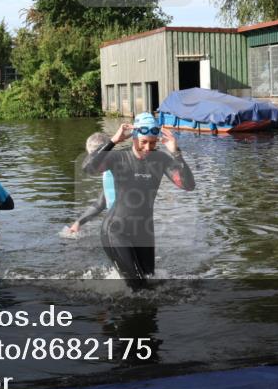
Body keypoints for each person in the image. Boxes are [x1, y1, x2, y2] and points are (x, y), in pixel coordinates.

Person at [83, 113, 195, 289]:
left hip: (144, 231)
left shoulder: (161, 159)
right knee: (136, 285)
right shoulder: (118, 158)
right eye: (143, 142)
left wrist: (176, 153)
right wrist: (113, 141)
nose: (148, 147)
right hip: (115, 230)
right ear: (134, 138)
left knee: (150, 282)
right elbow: (88, 168)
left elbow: (188, 185)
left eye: (152, 142)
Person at [65, 132, 116, 237]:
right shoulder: (107, 173)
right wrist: (78, 223)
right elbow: (102, 202)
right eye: (93, 160)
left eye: (99, 159)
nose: (95, 163)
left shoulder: (124, 167)